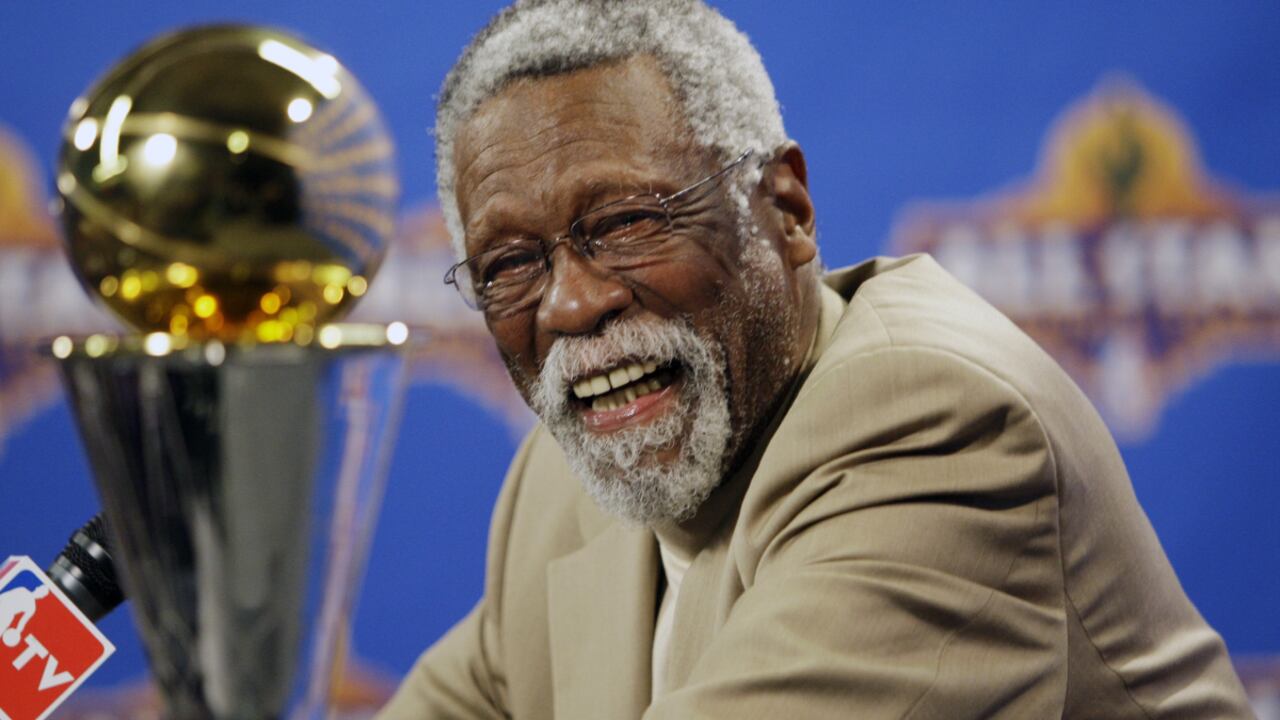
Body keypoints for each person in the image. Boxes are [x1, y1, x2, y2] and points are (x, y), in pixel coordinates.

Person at [380, 1, 1252, 717]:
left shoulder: (935, 424)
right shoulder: (569, 474)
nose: (570, 304)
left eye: (626, 224)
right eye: (510, 265)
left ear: (785, 209)